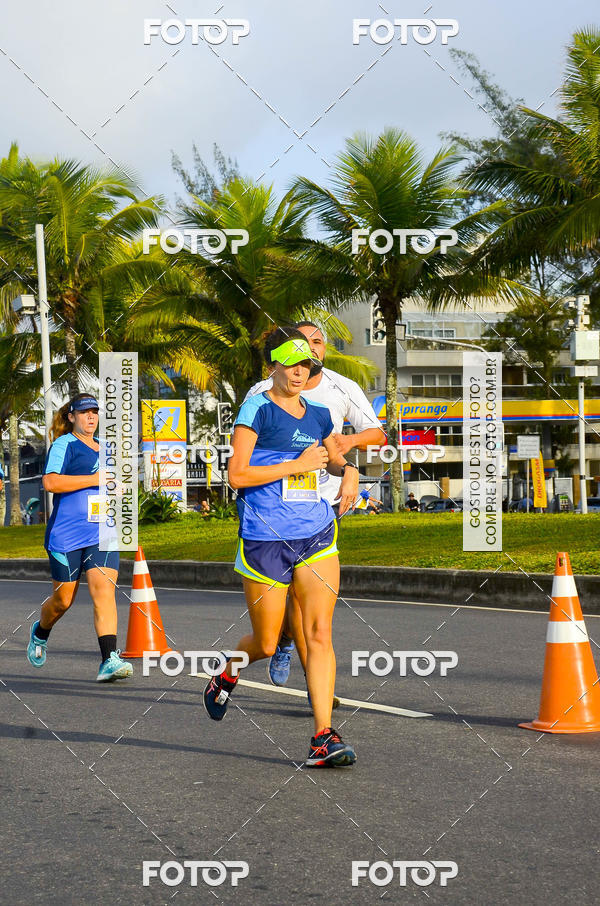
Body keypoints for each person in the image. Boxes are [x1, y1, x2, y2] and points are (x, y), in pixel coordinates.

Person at [203, 328, 360, 766]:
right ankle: (228, 672)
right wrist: (296, 464)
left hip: (316, 533)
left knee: (319, 634)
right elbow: (237, 475)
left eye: (306, 364)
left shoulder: (320, 415)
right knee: (268, 642)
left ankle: (323, 736)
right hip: (265, 537)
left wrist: (348, 470)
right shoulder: (257, 408)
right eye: (290, 363)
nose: (298, 371)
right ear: (273, 365)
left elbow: (332, 456)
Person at [245, 321, 386, 694]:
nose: (309, 350)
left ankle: (315, 688)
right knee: (291, 603)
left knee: (314, 615)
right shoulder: (261, 393)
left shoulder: (342, 387)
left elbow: (378, 433)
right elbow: (241, 461)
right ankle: (284, 645)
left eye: (317, 342)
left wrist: (346, 448)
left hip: (324, 505)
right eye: (301, 343)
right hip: (273, 513)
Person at [26, 393, 133, 683]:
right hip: (66, 536)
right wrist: (95, 480)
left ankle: (109, 659)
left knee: (104, 593)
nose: (91, 416)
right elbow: (50, 482)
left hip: (101, 532)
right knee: (63, 600)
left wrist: (116, 487)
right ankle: (41, 632)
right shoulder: (64, 445)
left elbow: (109, 482)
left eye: (94, 412)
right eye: (85, 412)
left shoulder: (107, 448)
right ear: (72, 417)